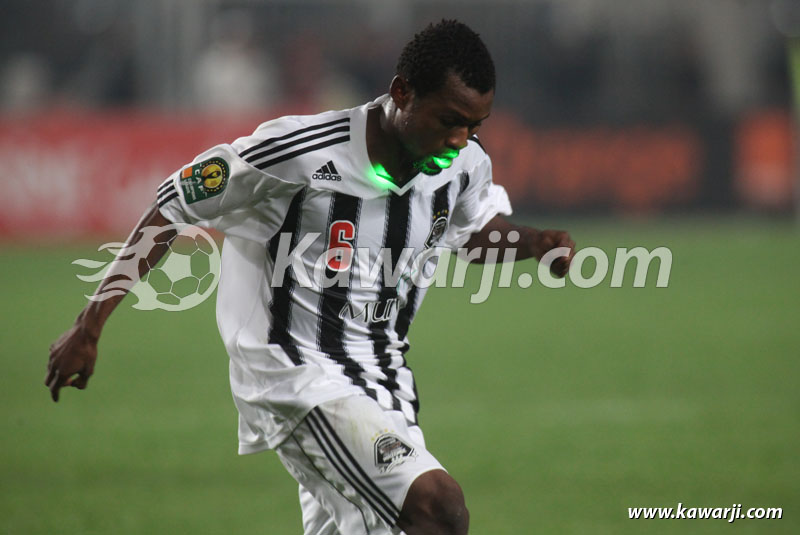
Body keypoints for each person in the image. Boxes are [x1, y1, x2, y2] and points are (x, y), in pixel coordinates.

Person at [46, 20, 575, 535]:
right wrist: (89, 325)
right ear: (401, 92)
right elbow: (172, 205)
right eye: (448, 120)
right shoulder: (298, 152)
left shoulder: (461, 164)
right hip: (292, 370)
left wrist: (534, 243)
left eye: (474, 126)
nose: (460, 139)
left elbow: (472, 229)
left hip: (382, 377)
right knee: (439, 510)